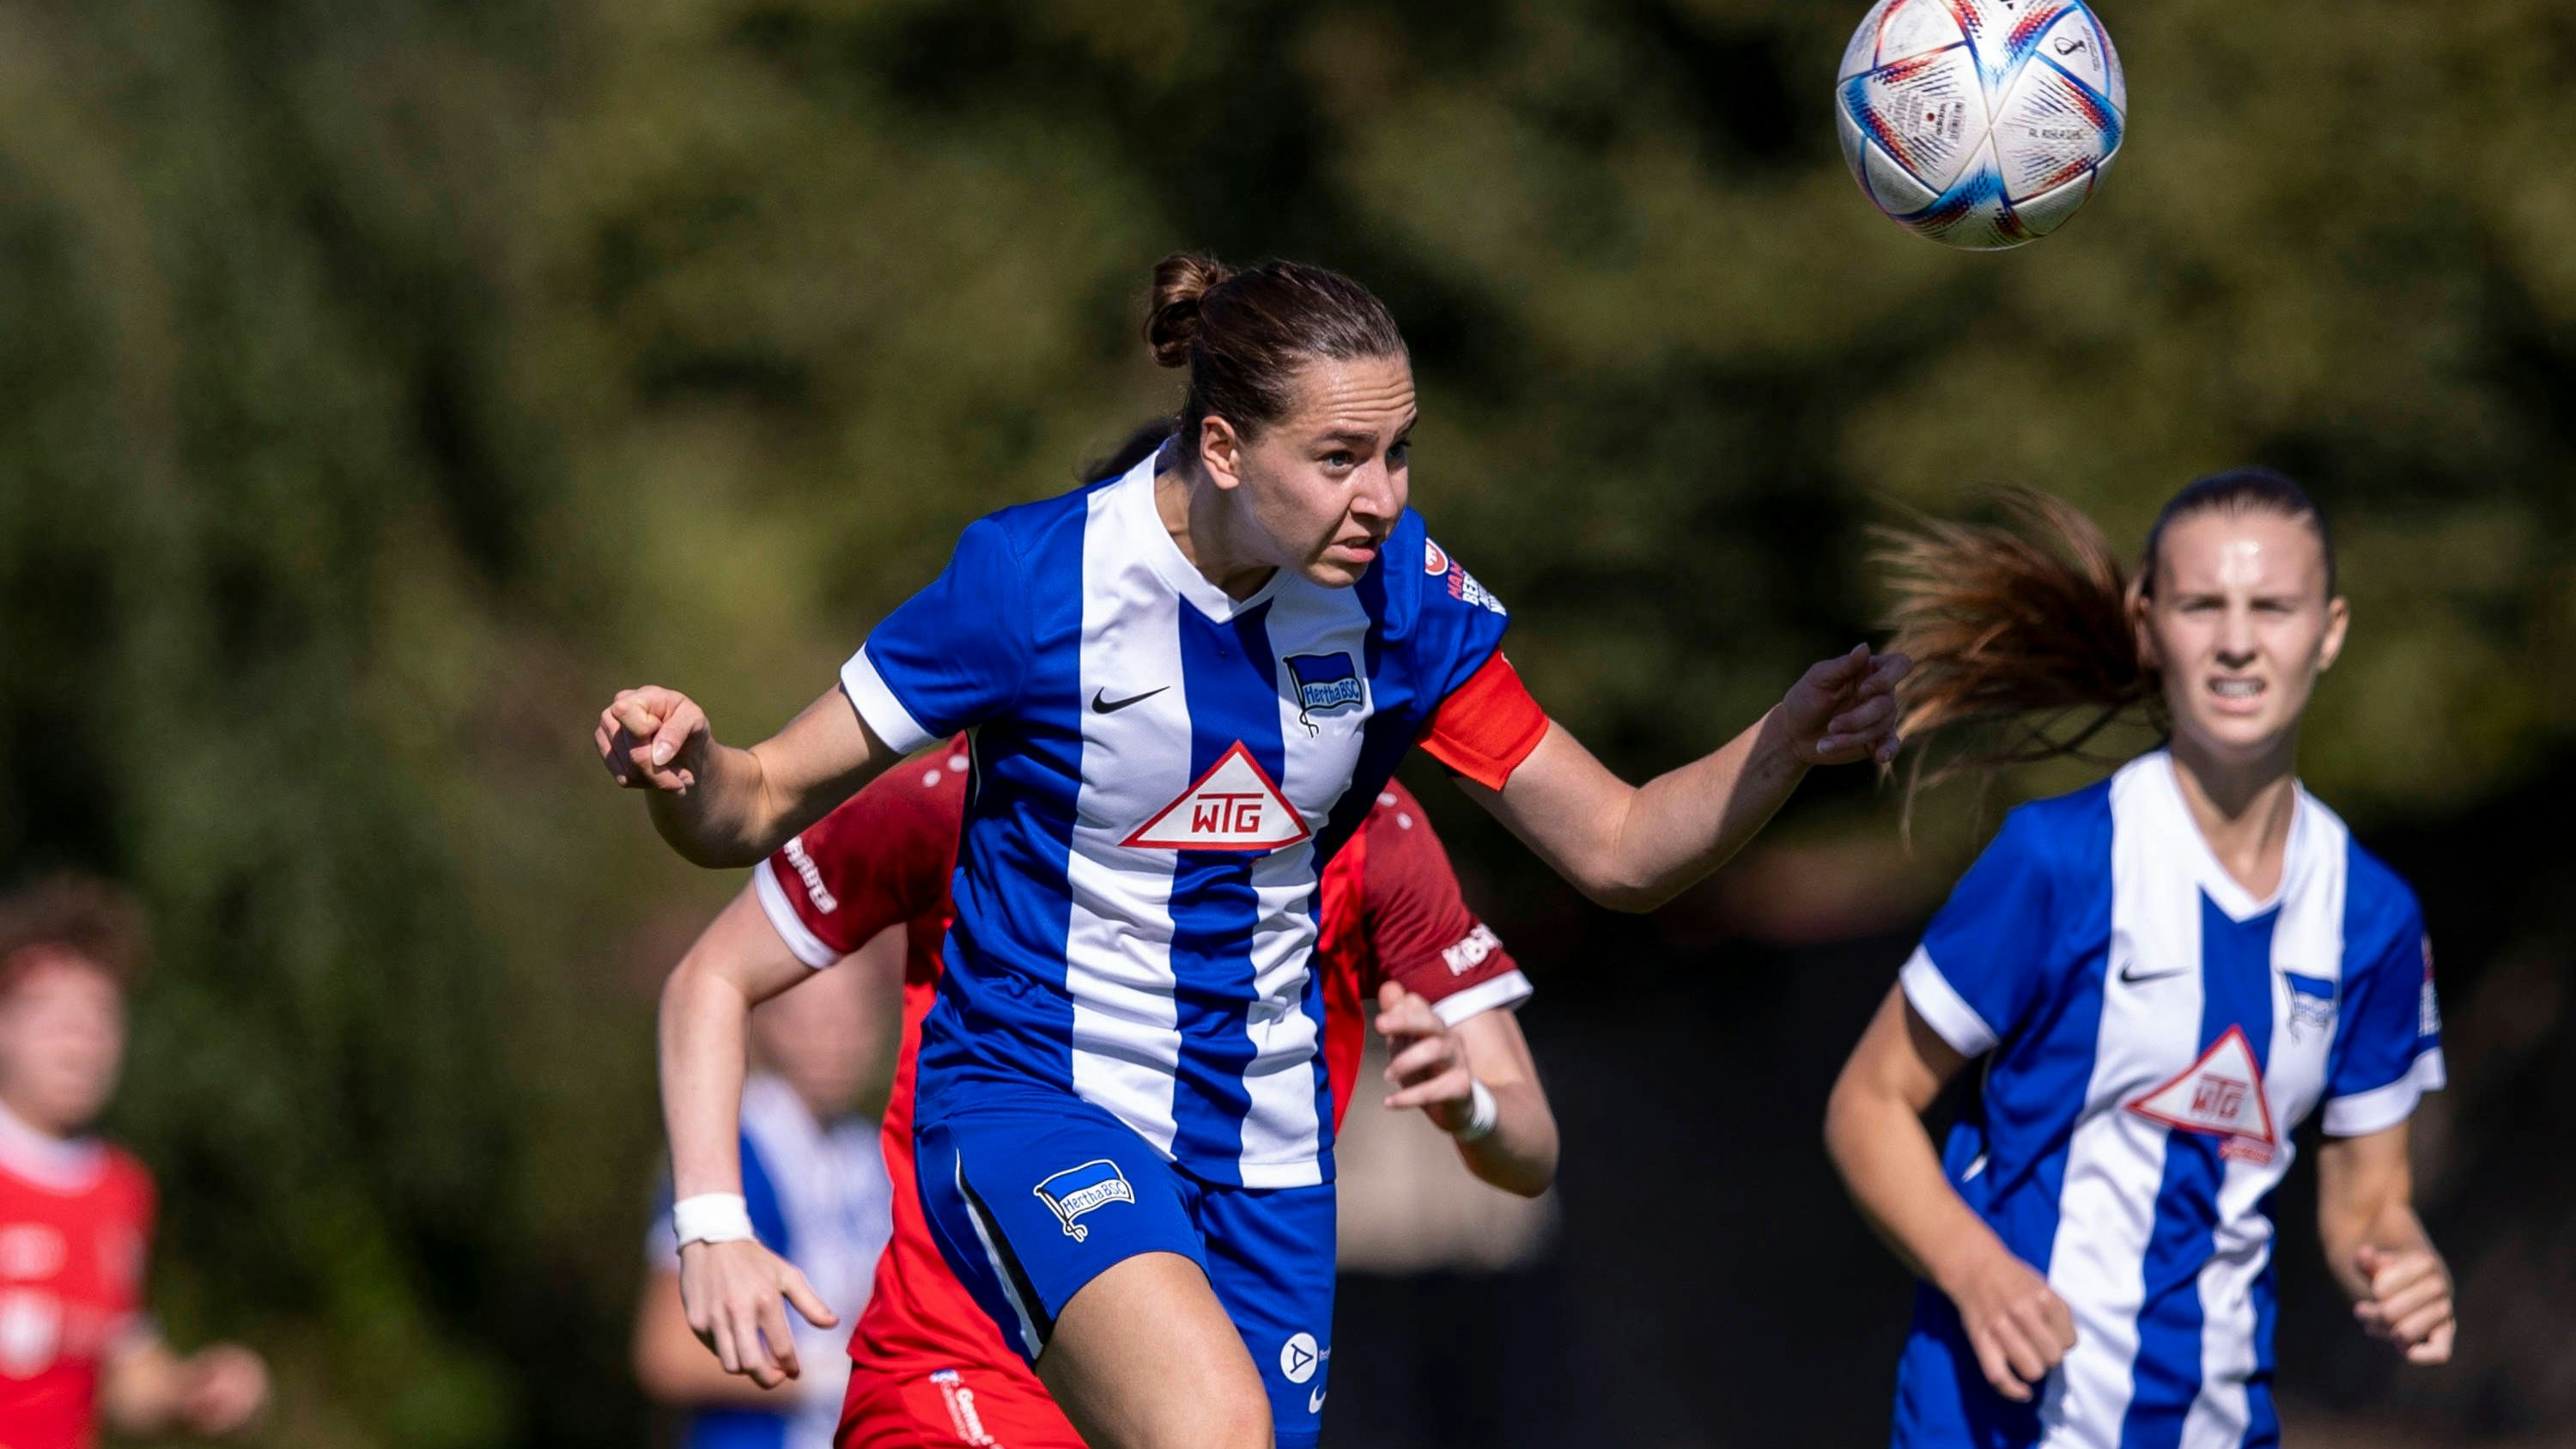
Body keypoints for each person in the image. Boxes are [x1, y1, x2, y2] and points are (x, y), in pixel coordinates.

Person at [598, 253, 1906, 1449]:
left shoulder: (1396, 597)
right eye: (1340, 457)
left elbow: (1619, 847)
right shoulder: (1033, 582)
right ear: (1221, 446)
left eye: (1399, 452)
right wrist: (687, 765)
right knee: (1209, 1426)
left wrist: (1785, 738)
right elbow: (752, 804)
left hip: (1266, 1159)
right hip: (1037, 1099)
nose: (1383, 498)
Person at [671, 733, 1550, 1446]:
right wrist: (712, 1221)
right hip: (961, 1370)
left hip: (1221, 1381)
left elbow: (1530, 1146)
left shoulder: (1366, 828)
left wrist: (1471, 1105)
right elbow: (716, 960)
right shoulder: (979, 788)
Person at [1825, 472, 2454, 1449]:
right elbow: (1869, 1103)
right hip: (1996, 1425)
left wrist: (2404, 1264)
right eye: (2202, 605)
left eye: (2272, 607)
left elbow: (2369, 1199)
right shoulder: (2058, 862)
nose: (2237, 641)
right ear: (2148, 624)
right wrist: (1975, 1269)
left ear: (2328, 631)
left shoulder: (2372, 917)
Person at [0, 874, 270, 1449]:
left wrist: (189, 1390)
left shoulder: (121, 1189)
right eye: (53, 1016)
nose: (79, 1042)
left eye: (98, 1018)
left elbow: (121, 1367)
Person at [635, 931, 900, 1449]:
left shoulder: (871, 1156)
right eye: (814, 1016)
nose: (836, 1037)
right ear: (770, 1021)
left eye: (855, 1014)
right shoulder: (733, 1145)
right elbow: (666, 1352)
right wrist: (826, 1375)